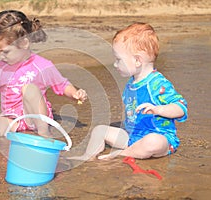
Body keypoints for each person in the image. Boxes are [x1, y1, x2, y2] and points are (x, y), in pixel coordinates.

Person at [69, 22, 187, 160]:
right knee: (100, 130)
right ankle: (88, 156)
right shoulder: (132, 83)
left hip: (160, 137)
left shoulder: (157, 83)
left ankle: (121, 154)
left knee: (153, 141)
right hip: (133, 136)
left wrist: (159, 110)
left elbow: (181, 107)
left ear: (137, 60)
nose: (115, 64)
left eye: (118, 60)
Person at [0, 10, 87, 137]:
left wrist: (75, 93)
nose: (1, 56)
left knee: (29, 89)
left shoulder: (42, 65)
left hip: (36, 118)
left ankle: (44, 134)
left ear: (24, 43)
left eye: (5, 52)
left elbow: (62, 85)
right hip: (11, 118)